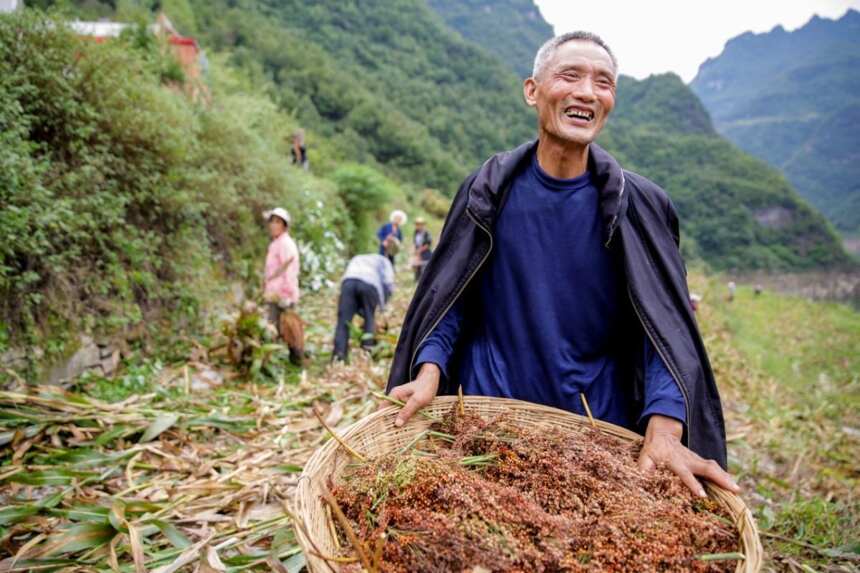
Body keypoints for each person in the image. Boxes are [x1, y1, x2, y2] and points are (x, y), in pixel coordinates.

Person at [385, 32, 738, 498]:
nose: (587, 92)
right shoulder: (487, 191)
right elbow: (450, 296)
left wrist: (667, 426)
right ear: (532, 90)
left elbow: (665, 329)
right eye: (570, 75)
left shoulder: (641, 206)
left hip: (595, 439)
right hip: (488, 429)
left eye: (603, 82)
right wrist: (429, 368)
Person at [333, 254, 395, 362]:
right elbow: (389, 284)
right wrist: (382, 306)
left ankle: (339, 355)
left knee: (343, 321)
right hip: (369, 283)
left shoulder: (357, 257)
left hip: (348, 282)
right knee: (369, 319)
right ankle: (366, 353)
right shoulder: (386, 261)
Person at [262, 207, 303, 364]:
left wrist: (287, 294)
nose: (273, 225)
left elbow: (290, 271)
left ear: (284, 226)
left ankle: (297, 360)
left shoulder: (285, 244)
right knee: (274, 328)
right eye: (272, 221)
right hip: (273, 293)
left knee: (289, 329)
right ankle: (273, 360)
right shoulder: (276, 243)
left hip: (283, 294)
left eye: (277, 222)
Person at [411, 217, 433, 282]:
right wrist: (415, 250)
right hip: (418, 251)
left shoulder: (426, 233)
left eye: (420, 224)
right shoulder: (416, 232)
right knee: (417, 265)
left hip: (425, 252)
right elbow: (415, 242)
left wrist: (420, 250)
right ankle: (417, 279)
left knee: (423, 266)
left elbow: (428, 244)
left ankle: (424, 280)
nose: (418, 226)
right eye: (417, 224)